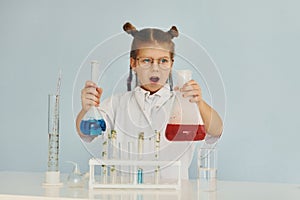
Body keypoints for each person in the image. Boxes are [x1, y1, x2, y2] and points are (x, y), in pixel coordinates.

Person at [76, 22, 223, 179]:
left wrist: (199, 102)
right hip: (126, 193)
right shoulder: (117, 103)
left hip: (173, 194)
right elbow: (85, 133)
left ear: (172, 64)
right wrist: (87, 109)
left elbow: (216, 130)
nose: (155, 68)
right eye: (146, 60)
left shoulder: (184, 104)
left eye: (163, 61)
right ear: (133, 63)